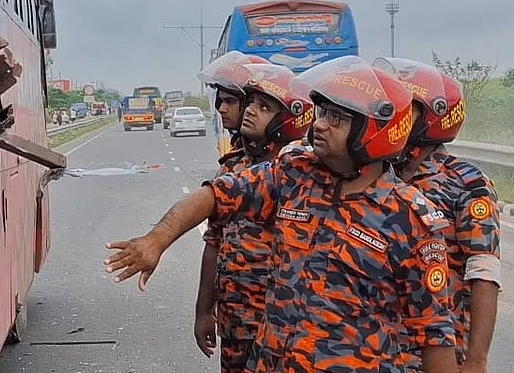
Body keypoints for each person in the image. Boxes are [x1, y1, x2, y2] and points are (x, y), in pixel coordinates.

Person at [107, 56, 459, 373]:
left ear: (376, 131)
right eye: (321, 113)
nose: (319, 125)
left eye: (336, 118)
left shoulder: (411, 220)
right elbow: (215, 196)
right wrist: (157, 240)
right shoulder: (292, 174)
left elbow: (434, 334)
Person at [373, 58, 501, 373]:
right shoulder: (373, 173)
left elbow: (483, 274)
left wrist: (476, 359)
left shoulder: (466, 184)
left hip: (437, 352)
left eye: (406, 108)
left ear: (431, 118)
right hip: (374, 348)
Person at [196, 63, 314, 372]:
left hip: (285, 323)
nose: (248, 111)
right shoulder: (232, 169)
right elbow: (214, 243)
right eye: (250, 103)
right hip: (236, 319)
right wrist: (203, 311)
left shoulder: (303, 178)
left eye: (263, 107)